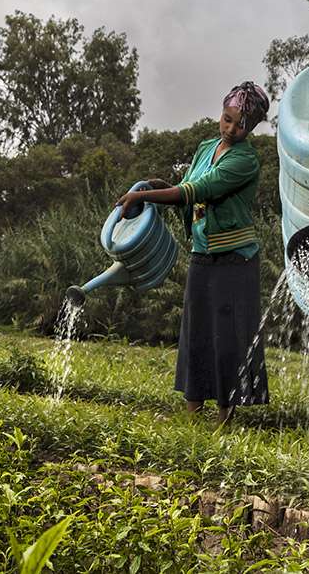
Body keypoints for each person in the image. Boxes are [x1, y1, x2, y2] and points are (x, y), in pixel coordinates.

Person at [115, 82, 271, 426]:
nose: (231, 129)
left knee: (228, 337)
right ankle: (192, 412)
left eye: (240, 125)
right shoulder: (205, 147)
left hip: (235, 258)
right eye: (227, 119)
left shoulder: (245, 160)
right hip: (203, 252)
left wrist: (143, 199)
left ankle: (225, 415)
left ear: (252, 127)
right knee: (197, 332)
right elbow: (187, 181)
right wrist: (155, 187)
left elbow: (198, 190)